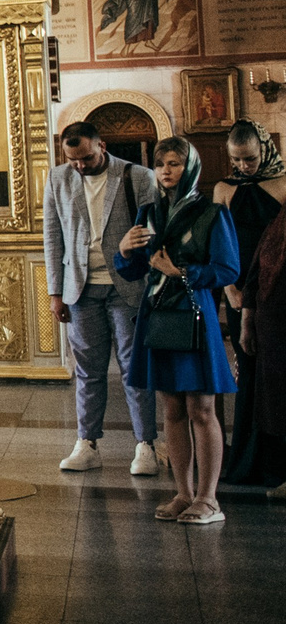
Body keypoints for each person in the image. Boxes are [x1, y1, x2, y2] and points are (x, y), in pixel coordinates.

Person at [116, 138, 239, 526]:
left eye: (174, 163)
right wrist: (123, 250)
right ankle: (183, 493)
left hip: (193, 316)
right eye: (160, 164)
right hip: (158, 316)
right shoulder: (149, 212)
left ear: (190, 168)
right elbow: (135, 270)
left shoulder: (211, 213)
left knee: (201, 409)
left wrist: (182, 272)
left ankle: (209, 498)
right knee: (171, 408)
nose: (166, 170)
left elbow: (228, 269)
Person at [46, 120, 162, 475]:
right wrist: (55, 292)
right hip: (80, 288)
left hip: (127, 285)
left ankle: (145, 445)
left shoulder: (138, 177)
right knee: (88, 370)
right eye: (72, 158)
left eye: (85, 157)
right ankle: (87, 443)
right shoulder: (58, 178)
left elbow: (155, 232)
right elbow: (53, 236)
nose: (79, 165)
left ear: (102, 145)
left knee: (134, 368)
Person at [215, 121, 286, 488]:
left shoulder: (284, 183)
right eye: (237, 160)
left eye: (251, 159)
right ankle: (247, 460)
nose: (245, 166)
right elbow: (217, 243)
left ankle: (277, 462)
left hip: (276, 292)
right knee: (248, 370)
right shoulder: (224, 189)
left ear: (265, 148)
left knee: (276, 376)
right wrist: (230, 291)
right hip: (239, 288)